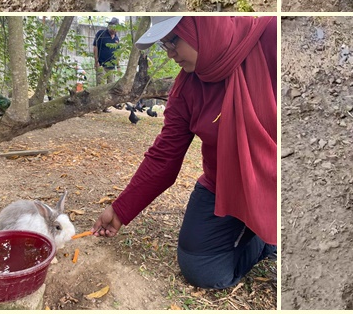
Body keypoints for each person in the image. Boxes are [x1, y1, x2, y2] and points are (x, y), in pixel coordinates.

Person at [91, 16, 277, 289]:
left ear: (201, 26)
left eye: (173, 40)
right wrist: (120, 210)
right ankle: (263, 240)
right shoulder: (187, 85)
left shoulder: (268, 36)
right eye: (164, 45)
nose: (170, 53)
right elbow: (164, 156)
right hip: (222, 184)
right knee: (201, 267)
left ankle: (269, 228)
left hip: (275, 180)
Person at [93, 17, 120, 86]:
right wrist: (96, 61)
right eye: (112, 26)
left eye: (116, 27)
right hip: (101, 64)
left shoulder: (116, 38)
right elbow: (95, 47)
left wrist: (118, 66)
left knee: (111, 86)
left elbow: (117, 53)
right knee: (100, 85)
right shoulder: (101, 33)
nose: (114, 29)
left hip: (112, 67)